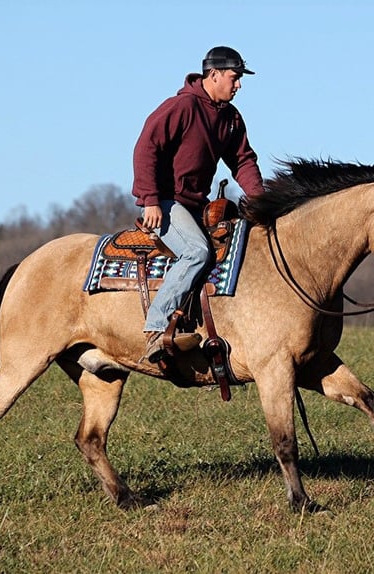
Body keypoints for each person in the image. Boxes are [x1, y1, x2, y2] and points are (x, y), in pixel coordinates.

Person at [132, 46, 265, 363]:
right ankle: (156, 329)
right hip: (166, 202)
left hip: (196, 204)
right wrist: (150, 199)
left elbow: (243, 161)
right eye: (234, 78)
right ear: (214, 74)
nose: (239, 85)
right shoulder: (181, 107)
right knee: (197, 252)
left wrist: (262, 204)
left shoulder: (231, 119)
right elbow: (145, 148)